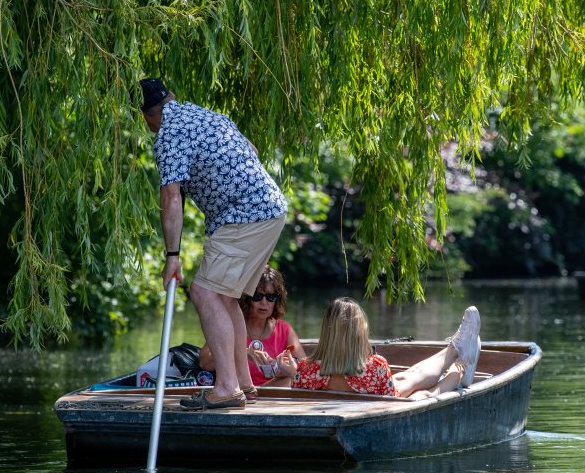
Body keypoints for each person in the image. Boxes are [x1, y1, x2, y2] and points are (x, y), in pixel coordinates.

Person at [138, 77, 288, 411]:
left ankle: (226, 388)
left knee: (205, 292)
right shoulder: (205, 115)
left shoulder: (168, 136)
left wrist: (172, 256)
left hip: (245, 215)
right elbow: (250, 149)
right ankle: (243, 384)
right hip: (270, 208)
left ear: (147, 115)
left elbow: (171, 195)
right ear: (172, 98)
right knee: (225, 296)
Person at [276, 297, 482, 399]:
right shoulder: (375, 366)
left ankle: (456, 348)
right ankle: (459, 367)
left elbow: (301, 384)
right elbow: (391, 397)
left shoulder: (305, 370)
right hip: (389, 399)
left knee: (406, 376)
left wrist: (292, 371)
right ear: (359, 335)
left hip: (373, 393)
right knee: (421, 390)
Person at [199, 266, 307, 390]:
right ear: (246, 298)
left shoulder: (284, 329)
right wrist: (243, 353)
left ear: (277, 301)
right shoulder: (230, 323)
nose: (264, 303)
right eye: (257, 296)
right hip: (238, 391)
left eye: (271, 297)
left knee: (291, 378)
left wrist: (285, 368)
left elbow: (304, 367)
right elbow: (205, 363)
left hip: (272, 392)